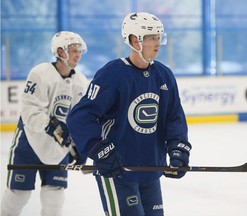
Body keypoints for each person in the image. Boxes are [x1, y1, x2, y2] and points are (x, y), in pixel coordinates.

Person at [66, 12, 191, 216]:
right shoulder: (113, 74)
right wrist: (98, 149)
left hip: (150, 170)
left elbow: (174, 117)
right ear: (135, 40)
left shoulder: (164, 75)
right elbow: (81, 116)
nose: (157, 42)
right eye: (151, 38)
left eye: (158, 37)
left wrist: (178, 149)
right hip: (118, 172)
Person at [1, 31, 89, 216]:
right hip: (30, 141)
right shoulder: (40, 73)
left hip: (58, 148)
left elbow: (80, 118)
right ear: (60, 51)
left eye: (79, 51)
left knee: (54, 197)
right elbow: (30, 112)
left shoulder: (80, 81)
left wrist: (80, 145)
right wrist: (54, 127)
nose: (78, 55)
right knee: (18, 195)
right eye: (73, 50)